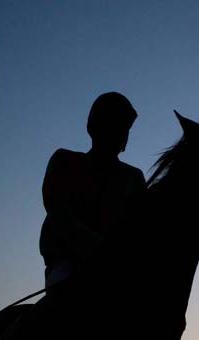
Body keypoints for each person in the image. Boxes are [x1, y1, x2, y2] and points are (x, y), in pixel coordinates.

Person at [39, 91, 146, 290]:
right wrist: (99, 249)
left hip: (119, 270)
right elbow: (59, 212)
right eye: (114, 125)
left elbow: (143, 226)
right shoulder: (65, 161)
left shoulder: (134, 177)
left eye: (125, 128)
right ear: (95, 127)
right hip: (68, 266)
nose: (121, 134)